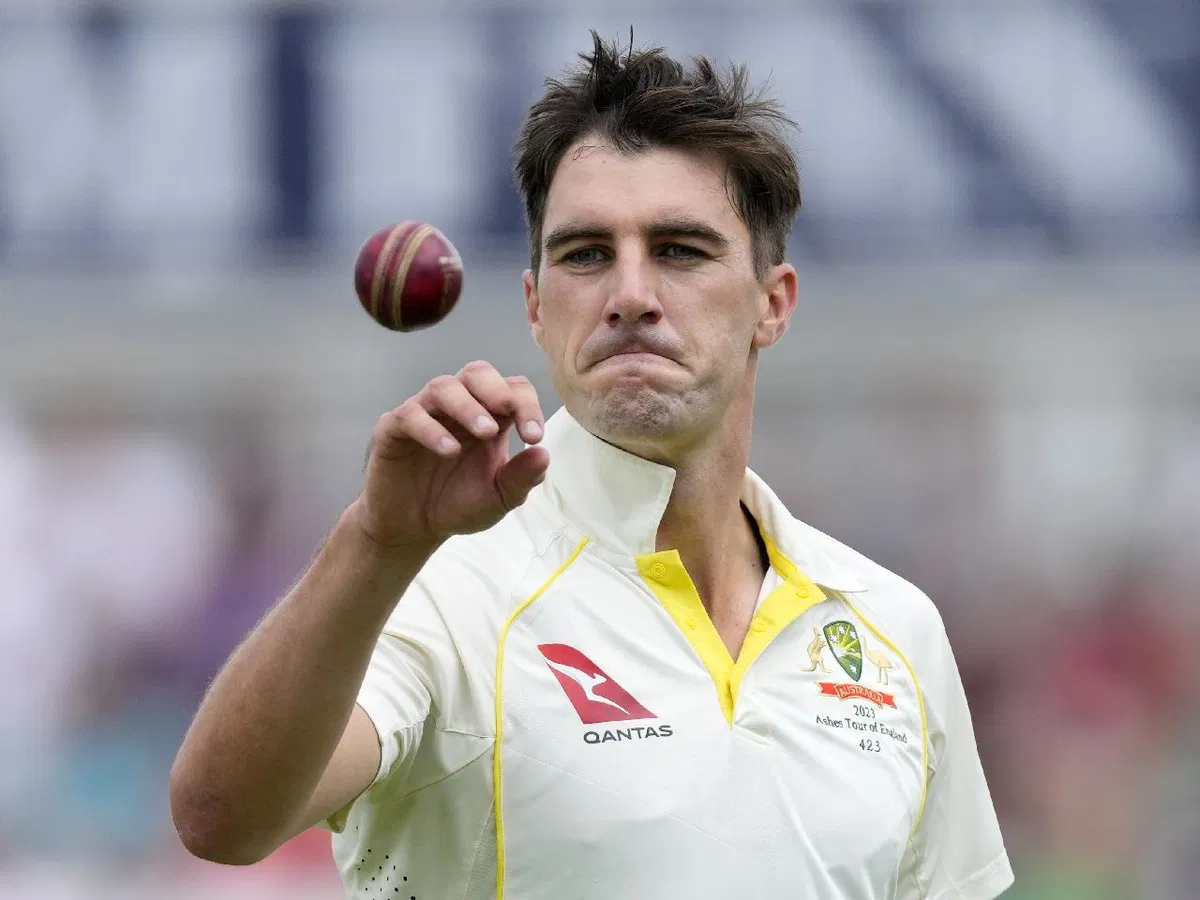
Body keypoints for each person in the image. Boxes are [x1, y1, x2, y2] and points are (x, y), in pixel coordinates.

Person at [169, 32, 1014, 900]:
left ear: (773, 303)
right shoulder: (439, 585)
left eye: (680, 250)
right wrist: (377, 542)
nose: (631, 295)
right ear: (536, 306)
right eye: (586, 254)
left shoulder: (891, 626)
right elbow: (221, 819)